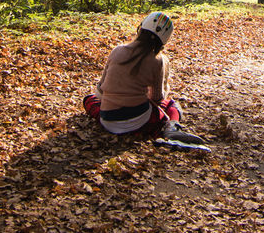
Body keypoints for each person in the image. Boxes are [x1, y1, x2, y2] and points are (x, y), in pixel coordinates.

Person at [83, 11, 209, 151]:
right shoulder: (158, 61)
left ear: (141, 28)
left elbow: (100, 90)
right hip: (138, 121)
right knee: (173, 106)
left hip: (107, 119)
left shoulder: (117, 50)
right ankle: (172, 127)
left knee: (89, 99)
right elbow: (157, 98)